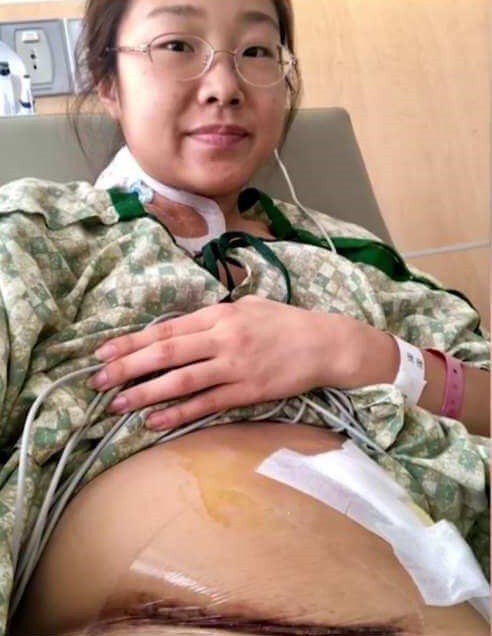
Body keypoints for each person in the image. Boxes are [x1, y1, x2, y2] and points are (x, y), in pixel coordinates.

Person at [0, 0, 489, 633]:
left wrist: (355, 353)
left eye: (256, 51)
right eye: (177, 45)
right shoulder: (37, 237)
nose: (224, 87)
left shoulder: (352, 257)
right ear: (108, 81)